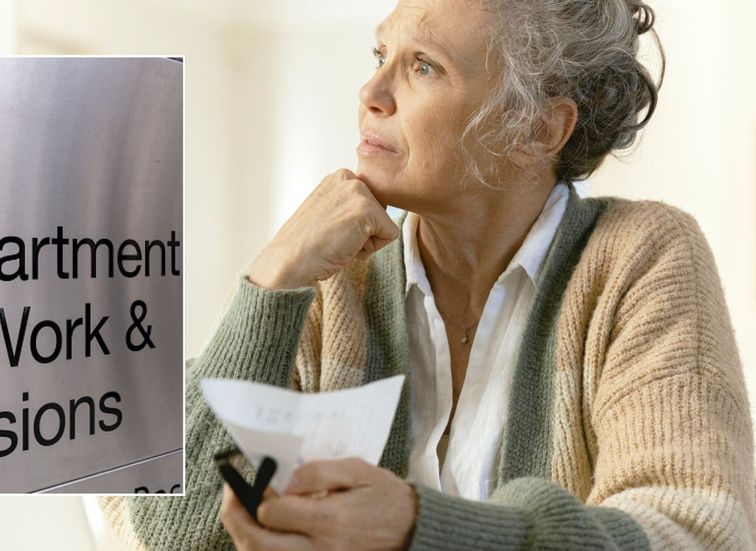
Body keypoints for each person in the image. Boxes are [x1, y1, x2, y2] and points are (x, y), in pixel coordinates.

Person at [101, 0, 756, 548]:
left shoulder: (641, 258)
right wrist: (270, 282)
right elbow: (164, 534)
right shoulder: (329, 280)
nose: (371, 94)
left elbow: (696, 530)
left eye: (422, 66)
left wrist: (419, 527)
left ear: (538, 126)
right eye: (379, 56)